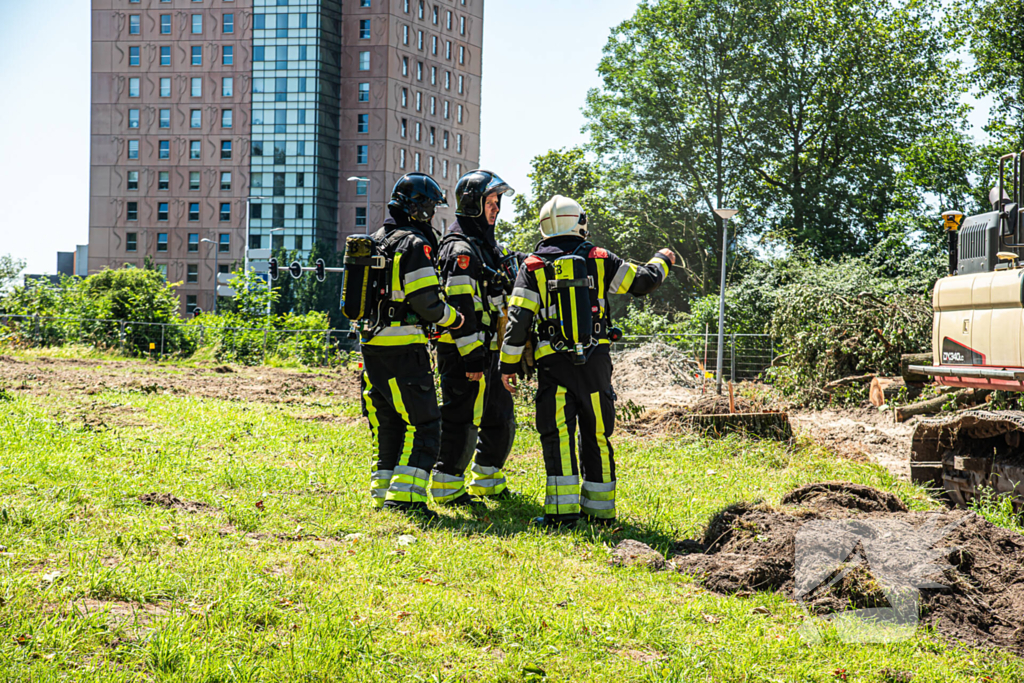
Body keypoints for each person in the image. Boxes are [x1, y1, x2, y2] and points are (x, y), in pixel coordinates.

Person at [499, 195, 676, 527]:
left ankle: (562, 515)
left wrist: (508, 366)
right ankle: (600, 512)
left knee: (558, 435)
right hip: (596, 361)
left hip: (553, 364)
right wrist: (662, 259)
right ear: (578, 221)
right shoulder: (599, 257)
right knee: (597, 433)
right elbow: (641, 283)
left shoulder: (532, 265)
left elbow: (518, 320)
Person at [360, 173, 464, 520]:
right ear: (418, 208)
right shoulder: (414, 244)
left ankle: (382, 490)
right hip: (405, 348)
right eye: (432, 206)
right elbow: (427, 303)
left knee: (390, 422)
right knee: (426, 424)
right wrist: (456, 319)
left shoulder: (377, 239)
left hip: (372, 345)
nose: (433, 214)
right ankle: (405, 499)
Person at [430, 170, 521, 506]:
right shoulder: (459, 249)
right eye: (491, 202)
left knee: (500, 415)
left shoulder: (487, 246)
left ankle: (488, 481)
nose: (496, 209)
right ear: (472, 204)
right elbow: (459, 304)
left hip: (490, 349)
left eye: (498, 203)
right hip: (464, 350)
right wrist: (471, 358)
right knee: (462, 419)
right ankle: (447, 486)